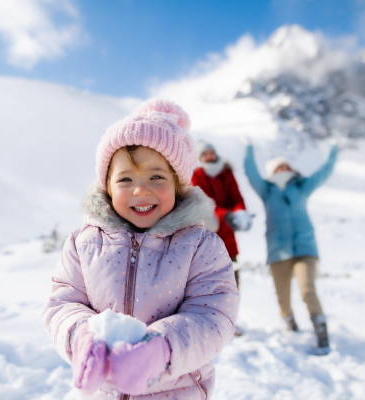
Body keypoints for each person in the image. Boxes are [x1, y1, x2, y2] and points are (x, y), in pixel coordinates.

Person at [41, 99, 238, 399]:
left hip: (176, 391)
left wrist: (161, 349)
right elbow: (61, 303)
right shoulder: (83, 244)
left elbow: (213, 316)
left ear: (178, 184)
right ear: (107, 185)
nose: (140, 190)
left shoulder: (201, 246)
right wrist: (80, 334)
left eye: (156, 177)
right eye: (126, 179)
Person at [243, 137, 338, 355]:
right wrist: (249, 148)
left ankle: (321, 334)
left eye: (286, 165)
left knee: (307, 290)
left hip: (305, 247)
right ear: (272, 171)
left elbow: (323, 172)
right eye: (279, 166)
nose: (283, 168)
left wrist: (332, 151)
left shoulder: (301, 186)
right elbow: (251, 173)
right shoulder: (266, 190)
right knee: (282, 297)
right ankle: (290, 324)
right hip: (278, 251)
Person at [191, 141, 251, 336]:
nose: (209, 156)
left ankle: (230, 322)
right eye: (205, 154)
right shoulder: (196, 176)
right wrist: (227, 215)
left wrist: (240, 212)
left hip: (229, 240)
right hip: (208, 239)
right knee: (207, 282)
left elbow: (237, 198)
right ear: (200, 158)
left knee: (233, 282)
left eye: (211, 152)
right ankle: (209, 322)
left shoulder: (227, 173)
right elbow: (206, 204)